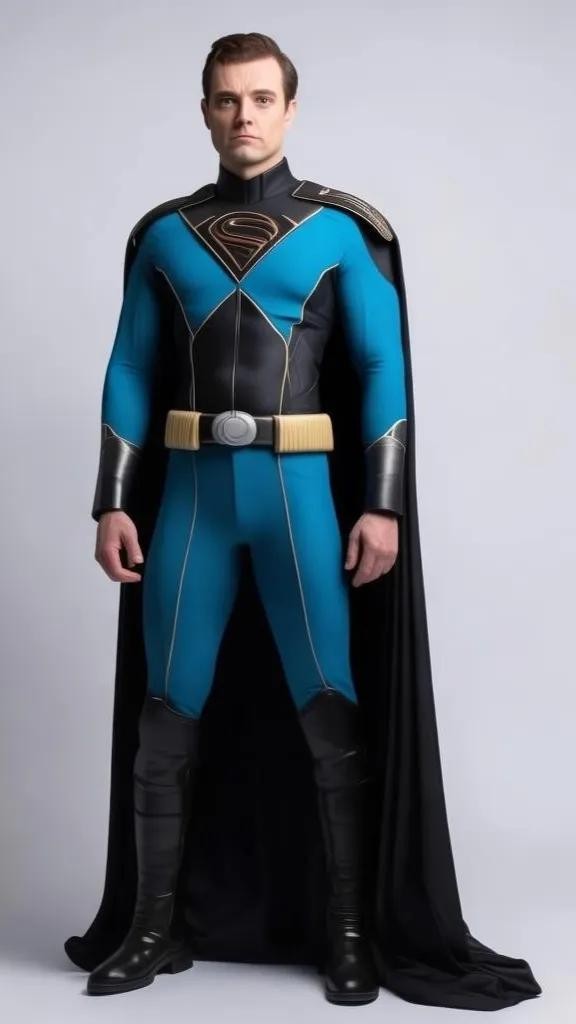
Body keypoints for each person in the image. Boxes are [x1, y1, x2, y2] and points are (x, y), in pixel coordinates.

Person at [65, 32, 542, 1009]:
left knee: (330, 711)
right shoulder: (165, 235)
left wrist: (383, 504)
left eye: (260, 98)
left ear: (289, 108)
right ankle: (153, 928)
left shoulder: (341, 230)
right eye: (226, 99)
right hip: (192, 496)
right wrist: (113, 498)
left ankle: (352, 931)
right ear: (205, 111)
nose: (243, 116)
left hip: (301, 497)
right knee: (165, 713)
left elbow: (380, 365)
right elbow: (131, 364)